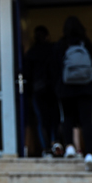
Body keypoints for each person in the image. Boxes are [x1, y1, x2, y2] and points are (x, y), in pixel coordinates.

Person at [54, 16, 92, 171]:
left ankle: (70, 147)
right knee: (86, 121)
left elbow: (56, 65)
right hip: (85, 88)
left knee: (68, 118)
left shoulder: (62, 44)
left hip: (66, 88)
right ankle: (89, 154)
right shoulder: (86, 43)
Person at [24, 25, 62, 157]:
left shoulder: (32, 52)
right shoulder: (53, 49)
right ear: (47, 36)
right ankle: (55, 143)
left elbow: (26, 74)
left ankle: (46, 149)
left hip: (38, 90)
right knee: (54, 119)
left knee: (42, 120)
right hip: (53, 89)